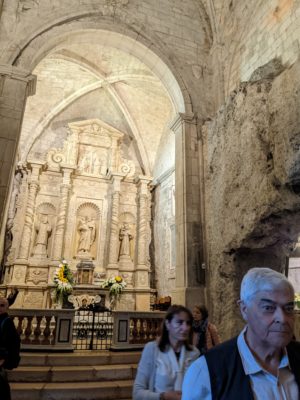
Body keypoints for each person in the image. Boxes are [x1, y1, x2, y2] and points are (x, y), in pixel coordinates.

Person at [182, 267, 300, 400]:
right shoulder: (206, 371)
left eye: (289, 308)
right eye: (268, 308)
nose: (282, 319)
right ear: (244, 309)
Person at [133, 304, 199, 400]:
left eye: (188, 323)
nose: (185, 328)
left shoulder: (194, 353)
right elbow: (137, 393)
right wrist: (163, 396)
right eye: (179, 322)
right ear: (168, 324)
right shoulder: (152, 350)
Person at [0, 297, 21, 400]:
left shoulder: (7, 322)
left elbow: (14, 343)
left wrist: (4, 359)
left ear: (7, 308)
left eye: (2, 305)